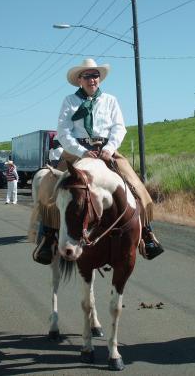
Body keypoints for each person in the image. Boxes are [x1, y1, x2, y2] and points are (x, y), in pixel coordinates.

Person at [35, 58, 164, 265]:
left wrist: (109, 148)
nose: (92, 79)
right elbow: (63, 132)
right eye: (87, 76)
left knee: (135, 185)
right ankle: (48, 238)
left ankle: (147, 234)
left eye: (95, 75)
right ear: (80, 80)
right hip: (76, 152)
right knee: (51, 186)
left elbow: (119, 127)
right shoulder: (69, 101)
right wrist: (81, 151)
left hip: (106, 151)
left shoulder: (110, 100)